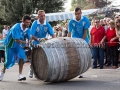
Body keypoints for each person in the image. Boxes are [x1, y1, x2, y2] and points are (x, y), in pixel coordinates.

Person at [0, 15, 31, 81]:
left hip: (19, 46)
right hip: (10, 45)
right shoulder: (16, 27)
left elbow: (30, 37)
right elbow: (16, 40)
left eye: (29, 22)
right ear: (22, 21)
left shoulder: (27, 29)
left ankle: (20, 75)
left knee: (22, 57)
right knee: (8, 62)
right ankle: (2, 72)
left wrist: (34, 40)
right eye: (26, 22)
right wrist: (25, 43)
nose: (28, 24)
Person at [29, 10, 55, 78]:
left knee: (42, 58)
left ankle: (39, 72)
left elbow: (53, 34)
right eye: (41, 15)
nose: (43, 17)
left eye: (44, 15)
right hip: (35, 42)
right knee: (34, 58)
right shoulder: (35, 23)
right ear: (38, 16)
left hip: (43, 43)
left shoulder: (47, 24)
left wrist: (54, 40)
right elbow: (31, 35)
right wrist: (38, 39)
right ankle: (31, 69)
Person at [67, 7, 90, 78]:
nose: (77, 15)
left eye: (78, 13)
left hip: (83, 39)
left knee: (82, 56)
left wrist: (82, 41)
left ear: (81, 13)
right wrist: (68, 41)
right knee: (76, 56)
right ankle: (77, 71)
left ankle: (81, 70)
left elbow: (85, 32)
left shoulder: (85, 20)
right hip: (75, 39)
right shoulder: (71, 21)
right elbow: (69, 32)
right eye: (75, 14)